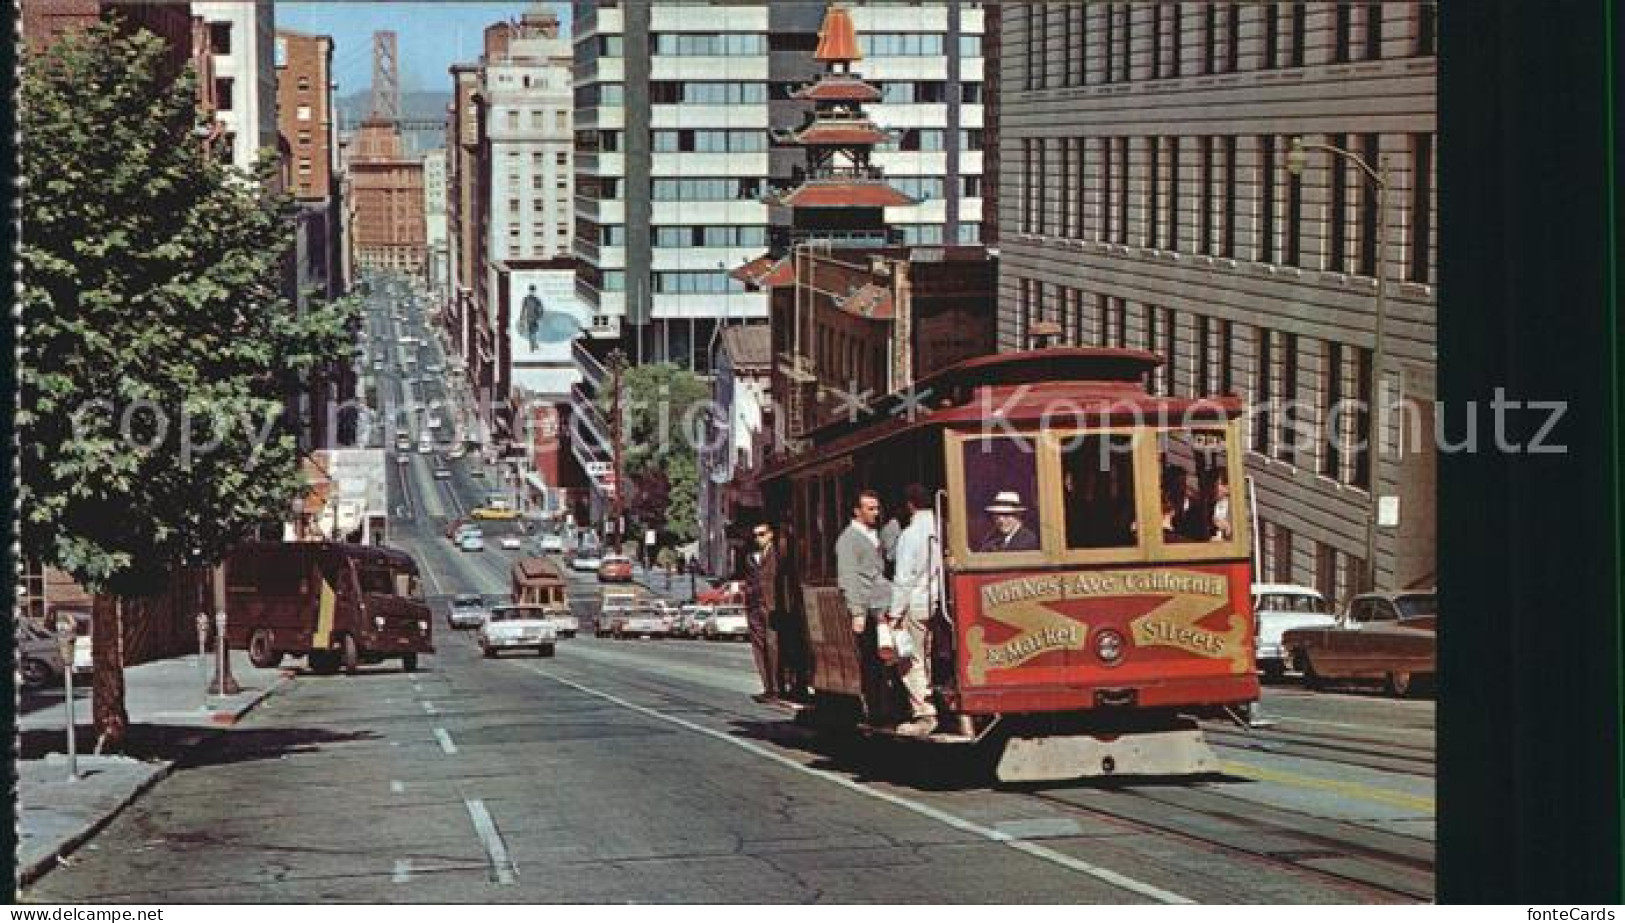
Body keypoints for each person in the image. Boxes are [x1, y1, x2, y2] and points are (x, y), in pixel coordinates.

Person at [885, 483, 941, 736]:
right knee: (931, 657)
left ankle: (924, 713)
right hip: (939, 601)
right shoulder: (942, 528)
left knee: (911, 658)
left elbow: (904, 577)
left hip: (916, 603)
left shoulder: (911, 534)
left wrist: (895, 614)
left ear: (910, 505)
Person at [835, 490, 895, 721]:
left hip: (882, 604)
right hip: (869, 609)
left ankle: (886, 705)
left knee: (886, 658)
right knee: (872, 659)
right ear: (857, 511)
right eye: (870, 509)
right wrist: (857, 612)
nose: (875, 513)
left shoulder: (874, 535)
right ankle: (877, 710)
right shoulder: (848, 539)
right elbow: (848, 576)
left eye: (877, 508)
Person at [742, 522, 781, 702]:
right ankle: (767, 687)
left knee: (772, 645)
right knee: (759, 648)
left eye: (762, 534)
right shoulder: (750, 556)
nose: (758, 538)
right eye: (756, 535)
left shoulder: (778, 552)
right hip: (754, 606)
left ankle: (776, 687)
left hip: (772, 605)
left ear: (771, 534)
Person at [519, 285, 544, 352]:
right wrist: (522, 317)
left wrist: (540, 315)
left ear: (534, 291)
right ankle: (531, 346)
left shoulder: (536, 299)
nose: (532, 292)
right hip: (529, 317)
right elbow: (523, 308)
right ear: (529, 291)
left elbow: (541, 308)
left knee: (534, 331)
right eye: (531, 290)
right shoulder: (526, 299)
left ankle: (534, 344)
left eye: (533, 291)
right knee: (530, 332)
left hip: (535, 317)